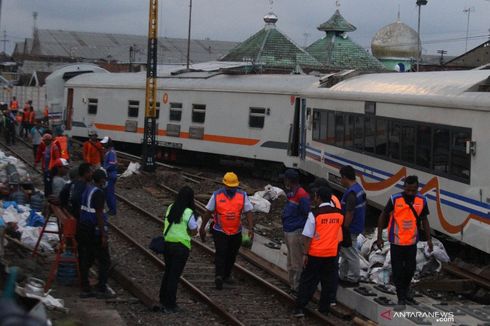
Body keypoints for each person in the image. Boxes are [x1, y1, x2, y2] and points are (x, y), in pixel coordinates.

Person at [377, 175, 433, 311]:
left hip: (412, 242)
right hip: (396, 242)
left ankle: (406, 293)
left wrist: (429, 239)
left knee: (409, 270)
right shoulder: (395, 199)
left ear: (417, 189)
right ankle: (401, 298)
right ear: (404, 188)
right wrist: (379, 236)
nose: (410, 193)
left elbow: (424, 220)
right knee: (397, 271)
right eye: (408, 190)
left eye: (413, 191)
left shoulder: (421, 201)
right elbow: (383, 214)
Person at [294, 186, 344, 318]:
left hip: (315, 253)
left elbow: (308, 236)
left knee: (308, 281)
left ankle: (300, 307)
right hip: (331, 254)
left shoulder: (314, 214)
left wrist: (305, 253)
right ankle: (324, 309)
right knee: (327, 283)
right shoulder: (339, 213)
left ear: (318, 197)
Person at [199, 172, 254, 290]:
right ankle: (219, 276)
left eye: (233, 186)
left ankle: (227, 275)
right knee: (221, 254)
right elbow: (208, 212)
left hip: (236, 232)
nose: (231, 188)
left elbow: (249, 211)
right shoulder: (217, 195)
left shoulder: (242, 195)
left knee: (232, 255)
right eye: (229, 186)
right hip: (220, 231)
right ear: (224, 185)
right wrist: (202, 227)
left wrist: (251, 228)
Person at [159, 186, 198, 313]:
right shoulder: (188, 213)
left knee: (168, 272)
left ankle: (163, 299)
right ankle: (170, 304)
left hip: (168, 245)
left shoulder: (171, 207)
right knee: (174, 277)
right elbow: (193, 230)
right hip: (181, 247)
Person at [78, 169, 114, 299]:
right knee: (105, 260)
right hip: (94, 230)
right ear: (102, 180)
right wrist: (103, 234)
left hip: (84, 227)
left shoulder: (88, 188)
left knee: (87, 257)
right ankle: (101, 288)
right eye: (104, 179)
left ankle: (85, 287)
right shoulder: (98, 193)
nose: (105, 182)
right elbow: (99, 214)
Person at [308, 178, 342, 307]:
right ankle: (327, 298)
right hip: (332, 239)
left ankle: (330, 298)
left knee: (329, 270)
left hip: (331, 240)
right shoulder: (333, 200)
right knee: (329, 270)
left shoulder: (330, 202)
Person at [281, 169, 310, 295]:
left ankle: (297, 287)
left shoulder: (301, 195)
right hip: (289, 230)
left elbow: (306, 213)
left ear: (289, 180)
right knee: (290, 260)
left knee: (296, 261)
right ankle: (292, 284)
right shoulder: (292, 193)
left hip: (296, 231)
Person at [338, 165, 366, 287]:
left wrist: (344, 228)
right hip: (356, 226)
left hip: (350, 228)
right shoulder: (359, 189)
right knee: (345, 253)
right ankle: (343, 276)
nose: (340, 181)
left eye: (341, 178)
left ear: (344, 177)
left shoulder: (351, 193)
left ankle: (353, 278)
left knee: (351, 253)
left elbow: (349, 213)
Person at [101, 136, 117, 215]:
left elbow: (111, 164)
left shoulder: (111, 152)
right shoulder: (109, 151)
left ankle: (112, 210)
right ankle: (111, 209)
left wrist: (104, 169)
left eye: (105, 143)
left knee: (109, 193)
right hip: (109, 174)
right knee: (108, 192)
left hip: (110, 175)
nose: (103, 145)